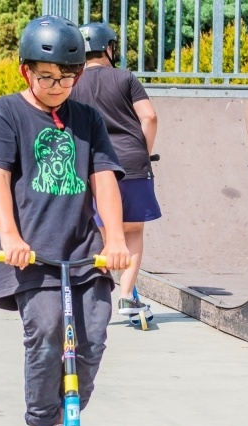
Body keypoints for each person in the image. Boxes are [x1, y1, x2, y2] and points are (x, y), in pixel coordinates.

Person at [0, 15, 130, 426]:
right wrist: (10, 235)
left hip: (83, 254)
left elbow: (104, 179)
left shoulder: (87, 119)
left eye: (67, 78)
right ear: (26, 71)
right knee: (46, 333)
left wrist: (114, 239)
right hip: (32, 255)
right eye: (46, 77)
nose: (57, 86)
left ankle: (64, 419)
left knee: (92, 338)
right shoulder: (6, 112)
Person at [69, 22, 161, 317]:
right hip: (133, 164)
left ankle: (97, 296)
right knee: (132, 231)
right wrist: (142, 153)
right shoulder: (126, 78)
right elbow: (149, 117)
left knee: (104, 231)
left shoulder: (73, 82)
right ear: (108, 48)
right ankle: (126, 297)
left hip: (96, 167)